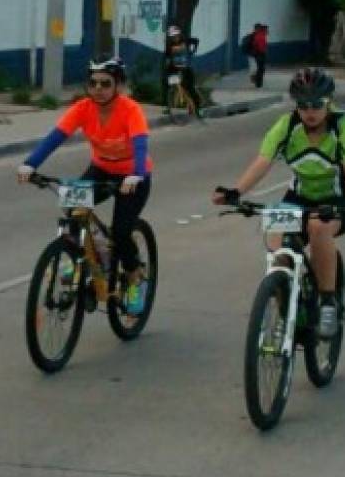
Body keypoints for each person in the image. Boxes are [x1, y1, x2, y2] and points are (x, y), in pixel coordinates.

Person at [212, 68, 345, 338]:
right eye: (303, 105)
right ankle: (287, 301)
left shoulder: (343, 127)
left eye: (317, 105)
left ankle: (328, 302)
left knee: (318, 228)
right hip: (298, 199)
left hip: (338, 201)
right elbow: (263, 161)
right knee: (278, 247)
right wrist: (236, 191)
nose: (310, 112)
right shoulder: (287, 125)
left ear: (329, 101)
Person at [17, 56, 152, 314]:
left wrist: (135, 174)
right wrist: (30, 164)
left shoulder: (131, 110)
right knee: (71, 206)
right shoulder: (83, 108)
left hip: (133, 177)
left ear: (118, 86)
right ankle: (76, 257)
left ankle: (135, 279)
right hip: (101, 169)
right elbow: (55, 138)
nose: (98, 89)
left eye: (106, 83)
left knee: (122, 232)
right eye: (93, 83)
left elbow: (140, 144)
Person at [163, 24, 204, 116]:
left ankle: (198, 108)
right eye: (173, 36)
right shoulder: (169, 45)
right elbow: (166, 57)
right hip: (174, 68)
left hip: (186, 67)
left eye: (176, 35)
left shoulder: (185, 40)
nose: (175, 38)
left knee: (190, 88)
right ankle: (169, 107)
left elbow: (196, 41)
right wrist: (167, 66)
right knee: (169, 86)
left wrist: (193, 51)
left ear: (179, 35)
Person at [248, 23, 269, 88]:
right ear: (263, 30)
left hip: (258, 54)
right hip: (260, 54)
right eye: (266, 29)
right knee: (261, 69)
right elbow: (260, 46)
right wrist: (263, 51)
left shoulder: (260, 35)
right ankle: (258, 83)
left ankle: (258, 82)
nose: (267, 31)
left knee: (260, 68)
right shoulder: (260, 36)